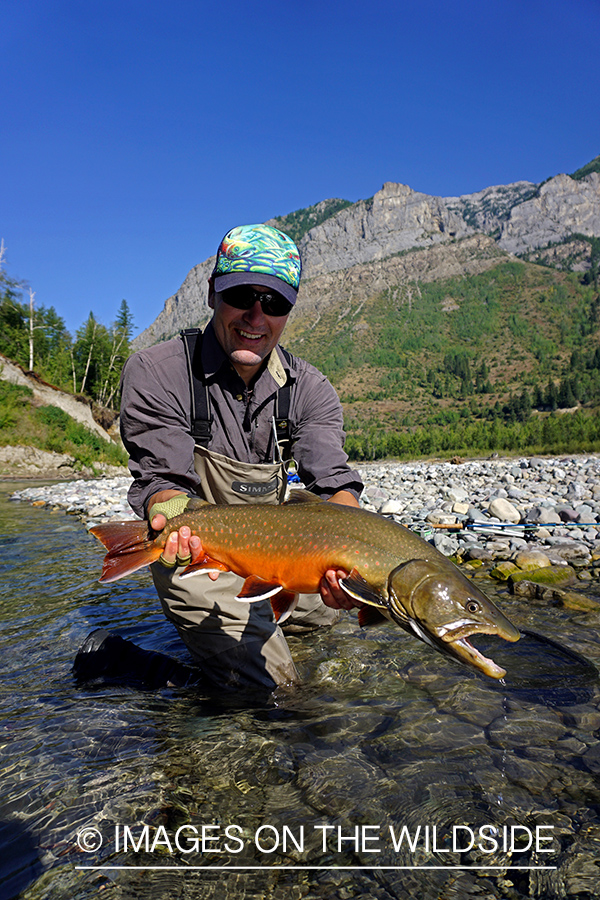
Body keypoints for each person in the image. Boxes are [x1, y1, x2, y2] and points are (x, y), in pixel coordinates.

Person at [114, 224, 364, 691]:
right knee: (275, 688)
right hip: (198, 556)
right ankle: (181, 678)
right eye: (241, 295)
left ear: (288, 310)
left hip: (278, 556)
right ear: (212, 293)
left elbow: (334, 484)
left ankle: (238, 655)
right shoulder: (157, 372)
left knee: (340, 622)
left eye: (274, 303)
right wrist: (171, 522)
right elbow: (163, 481)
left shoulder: (310, 390)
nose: (256, 315)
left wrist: (349, 560)